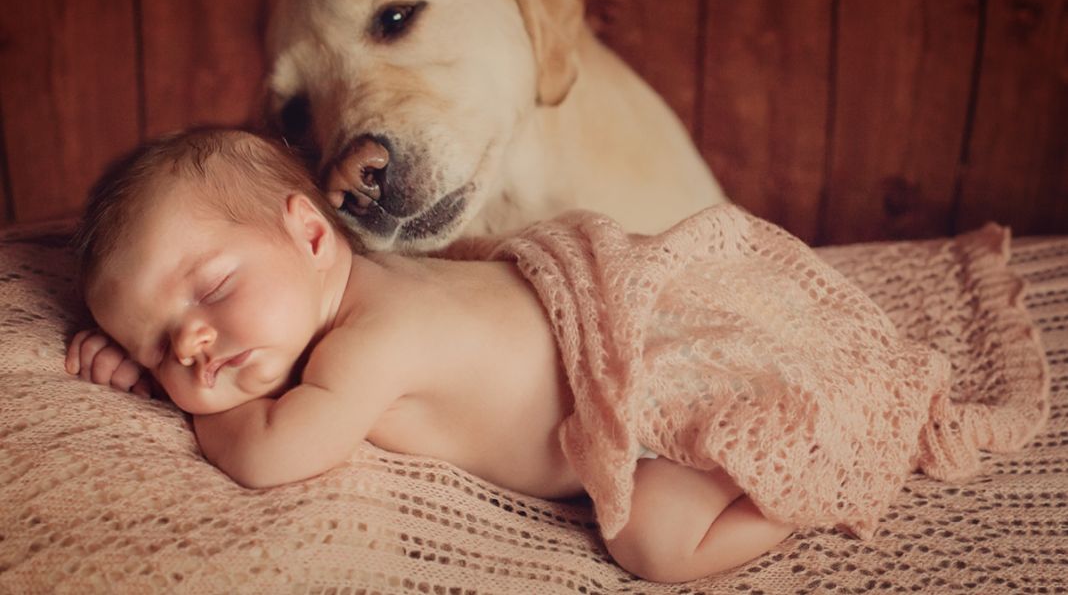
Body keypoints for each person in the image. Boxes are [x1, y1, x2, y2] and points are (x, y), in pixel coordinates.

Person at [65, 128, 793, 584]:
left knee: (654, 543)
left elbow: (268, 456)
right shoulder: (358, 288)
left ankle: (792, 487)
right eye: (158, 344)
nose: (191, 345)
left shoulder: (375, 339)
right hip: (639, 367)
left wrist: (168, 392)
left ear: (313, 237)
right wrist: (171, 363)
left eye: (214, 288)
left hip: (663, 413)